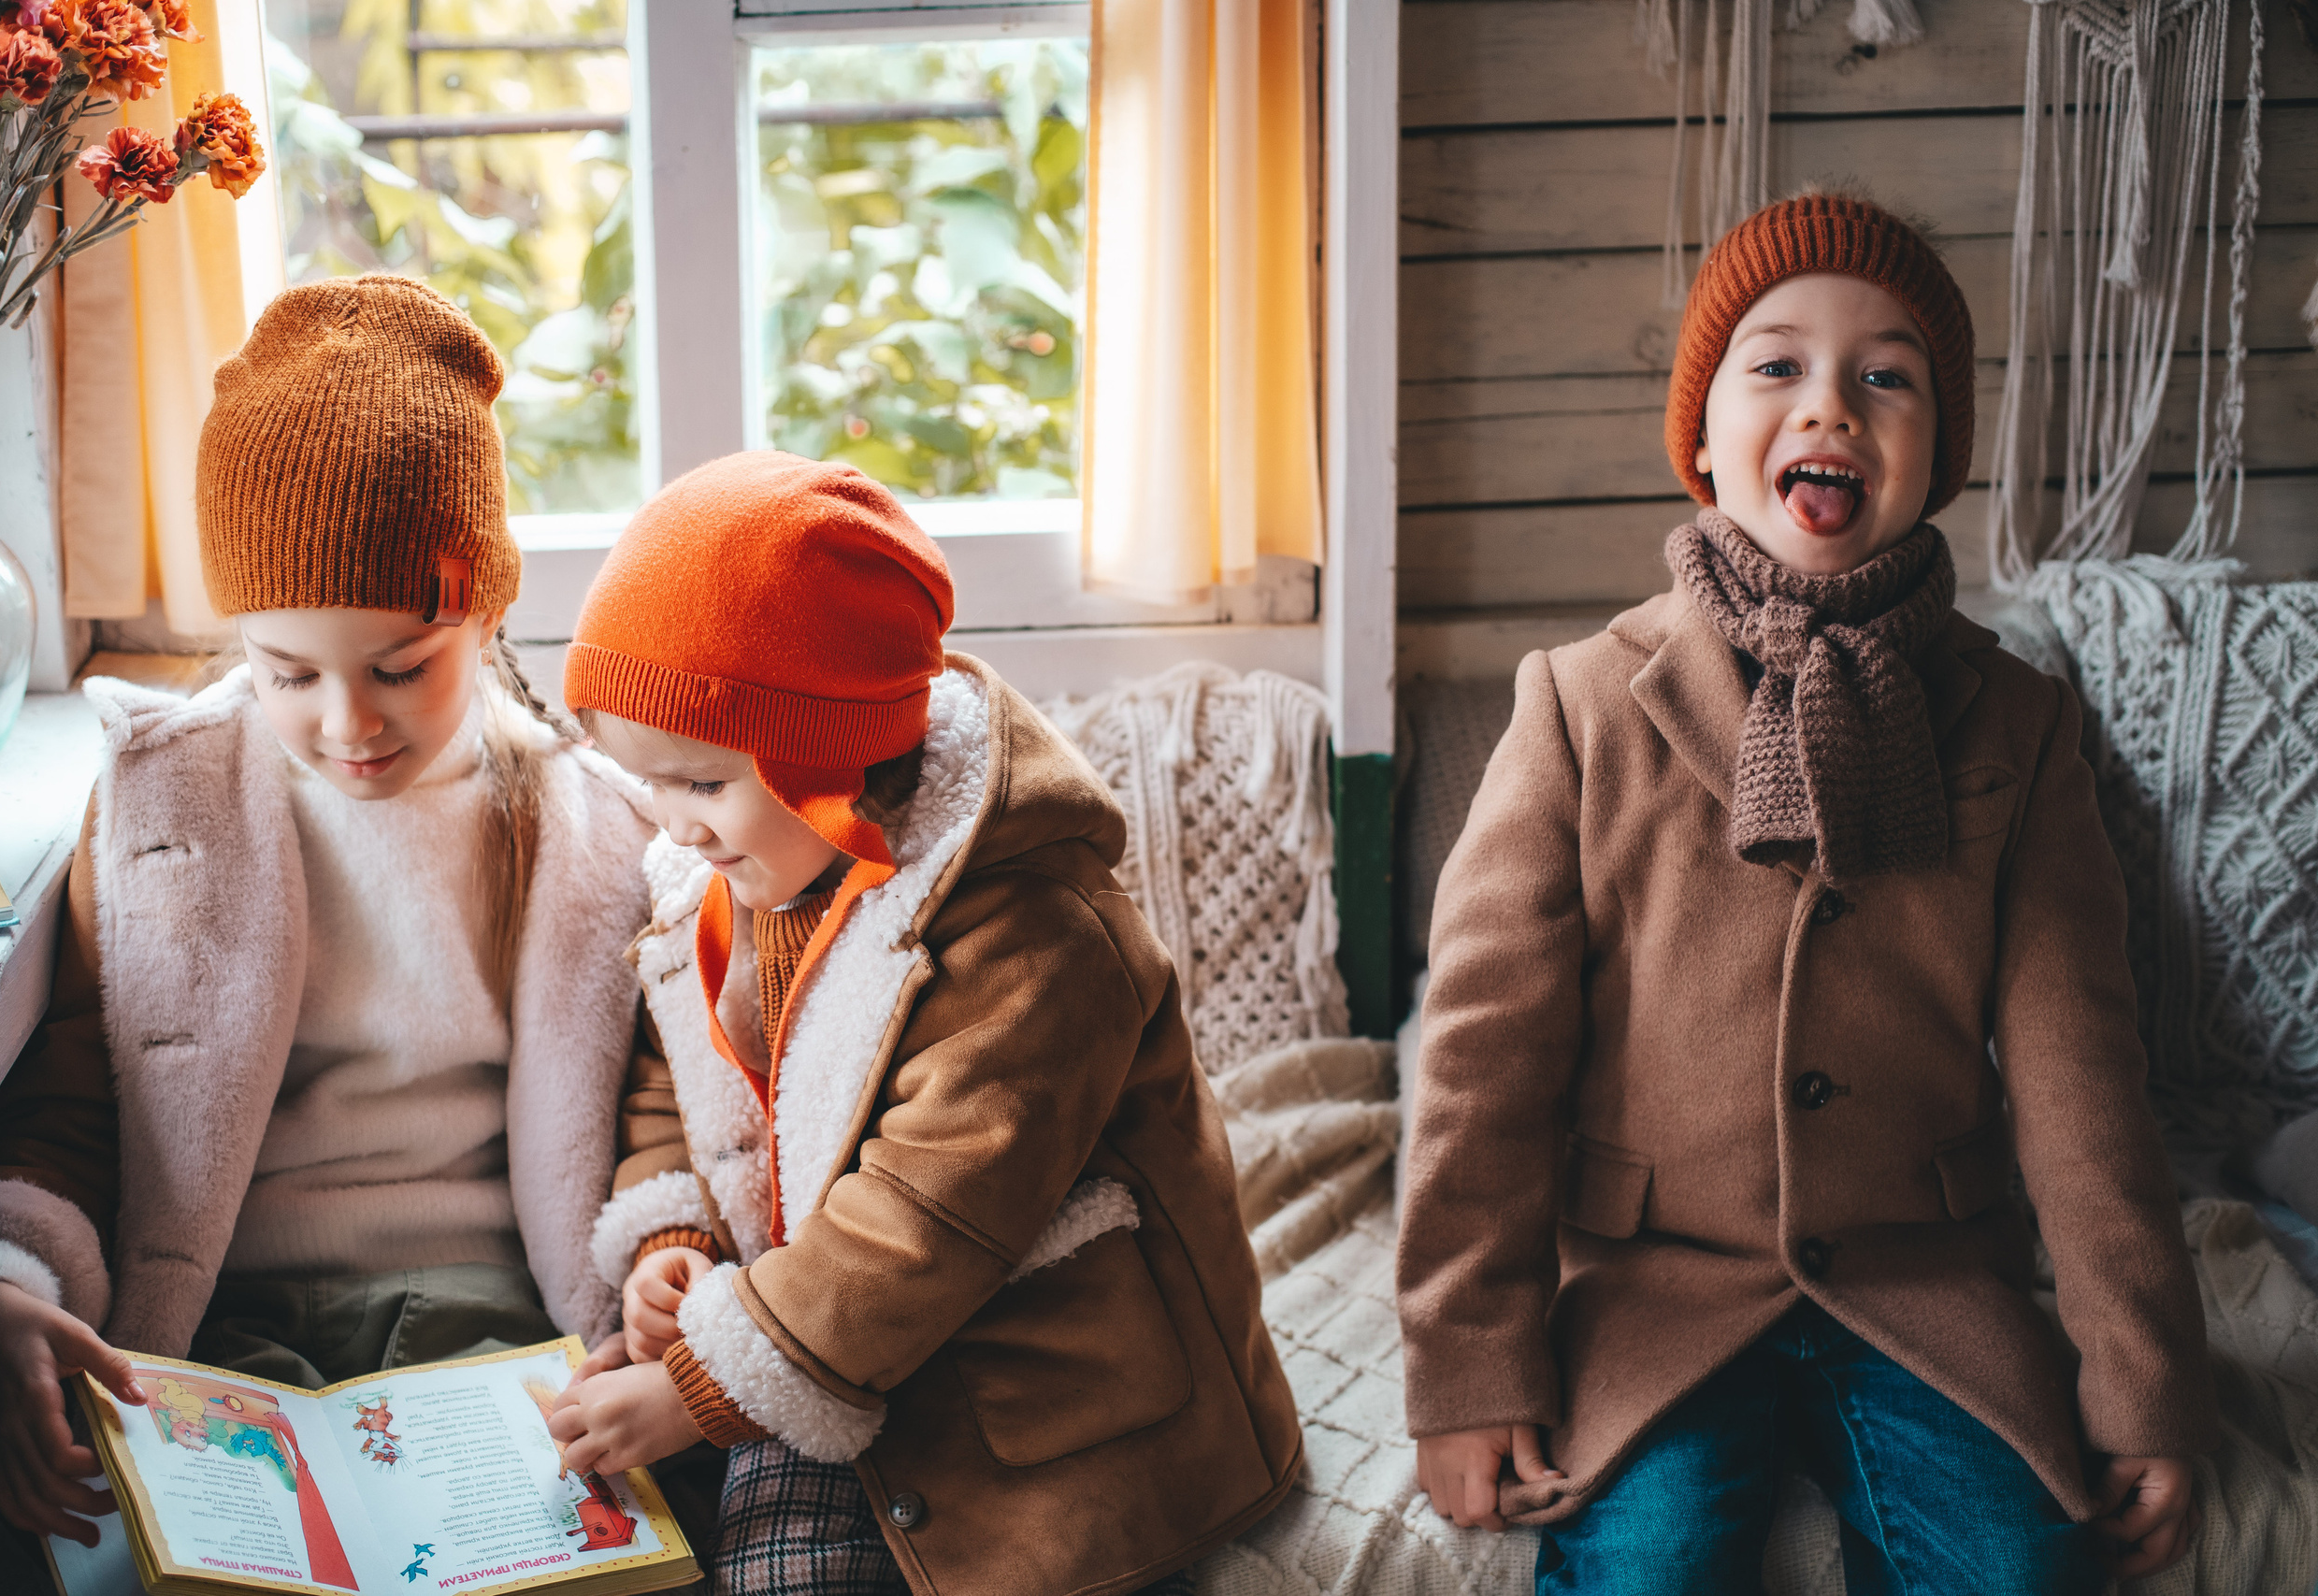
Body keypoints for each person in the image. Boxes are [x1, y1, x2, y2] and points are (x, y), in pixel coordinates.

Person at [1396, 193, 2216, 1593]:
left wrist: (2145, 1382)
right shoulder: (1580, 705)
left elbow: (2086, 1080)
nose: (1831, 403)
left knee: (2023, 1568)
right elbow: (1482, 1066)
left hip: (1925, 1283)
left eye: (1886, 375)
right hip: (1654, 1290)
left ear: (1934, 453)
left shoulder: (2018, 727)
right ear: (1704, 444)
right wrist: (1466, 1363)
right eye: (1777, 366)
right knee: (1641, 1570)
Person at [0, 276, 655, 1568]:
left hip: (497, 1326)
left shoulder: (585, 823)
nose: (349, 724)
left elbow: (660, 1099)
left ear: (486, 610)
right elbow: (84, 1086)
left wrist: (665, 1257)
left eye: (402, 665)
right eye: (288, 672)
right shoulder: (166, 803)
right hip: (219, 1321)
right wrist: (4, 1286)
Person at [538, 451, 1303, 1594]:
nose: (674, 826)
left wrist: (703, 1390)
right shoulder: (724, 879)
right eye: (647, 783)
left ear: (835, 762)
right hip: (810, 1336)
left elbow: (926, 1217)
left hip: (1037, 1395)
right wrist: (674, 1239)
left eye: (701, 784)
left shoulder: (1035, 939)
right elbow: (672, 1080)